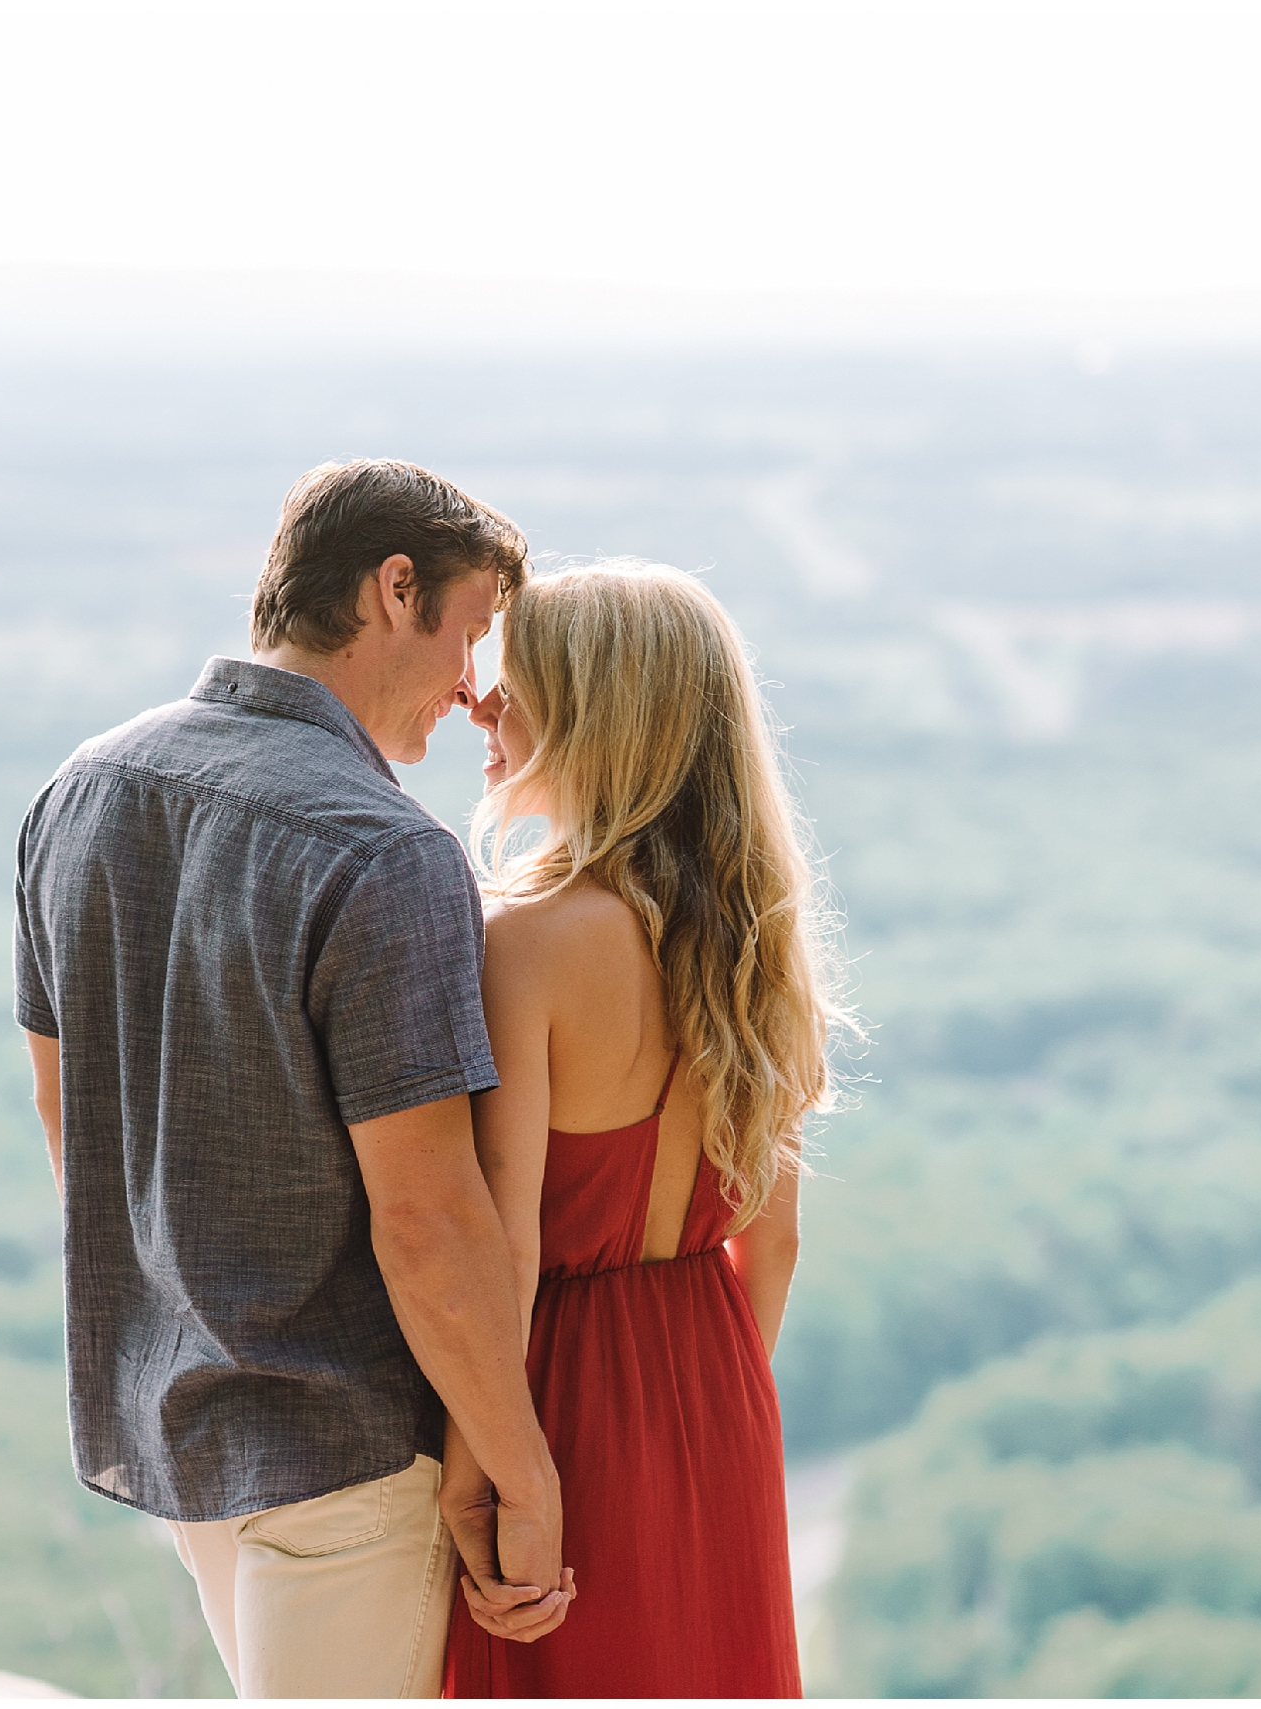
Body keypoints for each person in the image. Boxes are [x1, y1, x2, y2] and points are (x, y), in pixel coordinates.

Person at [13, 460, 574, 1698]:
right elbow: (427, 1221)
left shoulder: (81, 788)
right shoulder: (388, 855)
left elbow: (70, 1115)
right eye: (472, 633)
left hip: (173, 1417)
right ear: (393, 590)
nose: (474, 691)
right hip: (344, 1452)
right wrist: (524, 1469)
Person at [442, 561, 850, 1698]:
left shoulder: (523, 940)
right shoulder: (762, 944)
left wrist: (478, 1483)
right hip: (718, 1390)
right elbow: (772, 1244)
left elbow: (505, 1252)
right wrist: (695, 1414)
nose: (482, 703)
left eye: (515, 683)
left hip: (555, 1401)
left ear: (596, 716)